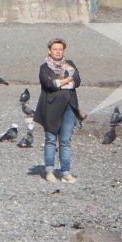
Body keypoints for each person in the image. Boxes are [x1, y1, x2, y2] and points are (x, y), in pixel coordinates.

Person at [36, 38, 82, 184]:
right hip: (50, 107)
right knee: (50, 140)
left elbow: (77, 80)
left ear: (64, 51)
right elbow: (49, 83)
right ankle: (49, 171)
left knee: (65, 141)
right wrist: (66, 81)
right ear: (49, 50)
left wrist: (60, 83)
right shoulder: (45, 67)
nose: (58, 51)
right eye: (55, 49)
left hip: (69, 106)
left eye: (60, 49)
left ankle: (66, 172)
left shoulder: (70, 65)